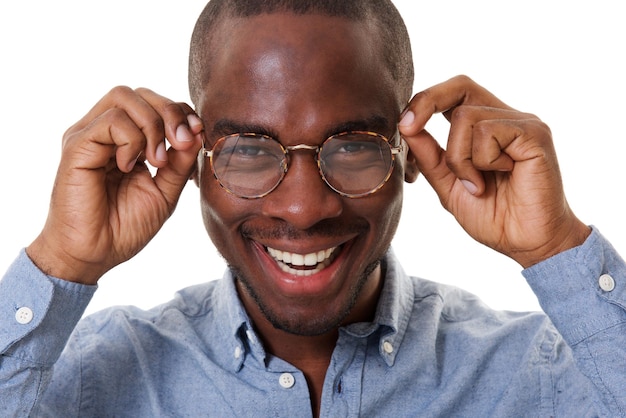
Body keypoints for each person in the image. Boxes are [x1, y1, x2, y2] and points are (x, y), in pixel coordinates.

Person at [1, 0, 624, 416]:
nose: (303, 208)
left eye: (353, 147)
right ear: (194, 160)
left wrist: (556, 248)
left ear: (410, 153)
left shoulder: (541, 375)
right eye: (249, 149)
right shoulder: (82, 377)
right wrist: (62, 260)